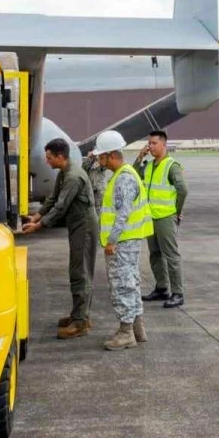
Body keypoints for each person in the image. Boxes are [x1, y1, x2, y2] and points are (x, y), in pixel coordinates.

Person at [22, 138, 99, 339]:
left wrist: (39, 225)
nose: (46, 161)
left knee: (80, 272)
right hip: (77, 225)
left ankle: (81, 321)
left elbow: (60, 207)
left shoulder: (73, 177)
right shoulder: (64, 172)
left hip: (84, 227)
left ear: (60, 157)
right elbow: (53, 199)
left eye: (49, 158)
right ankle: (78, 314)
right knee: (76, 269)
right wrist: (36, 216)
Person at [92, 130, 153, 351]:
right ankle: (138, 329)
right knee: (132, 282)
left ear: (111, 155)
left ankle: (126, 332)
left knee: (122, 285)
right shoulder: (124, 174)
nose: (99, 160)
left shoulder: (124, 178)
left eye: (101, 156)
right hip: (128, 241)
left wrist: (112, 241)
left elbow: (123, 213)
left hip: (122, 242)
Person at [135, 130, 188, 308]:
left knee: (171, 256)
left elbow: (183, 190)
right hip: (151, 218)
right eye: (148, 143)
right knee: (155, 255)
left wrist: (176, 211)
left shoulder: (171, 166)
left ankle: (178, 293)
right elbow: (133, 176)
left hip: (165, 217)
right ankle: (161, 288)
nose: (150, 146)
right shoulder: (148, 165)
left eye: (153, 143)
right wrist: (139, 157)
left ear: (164, 144)